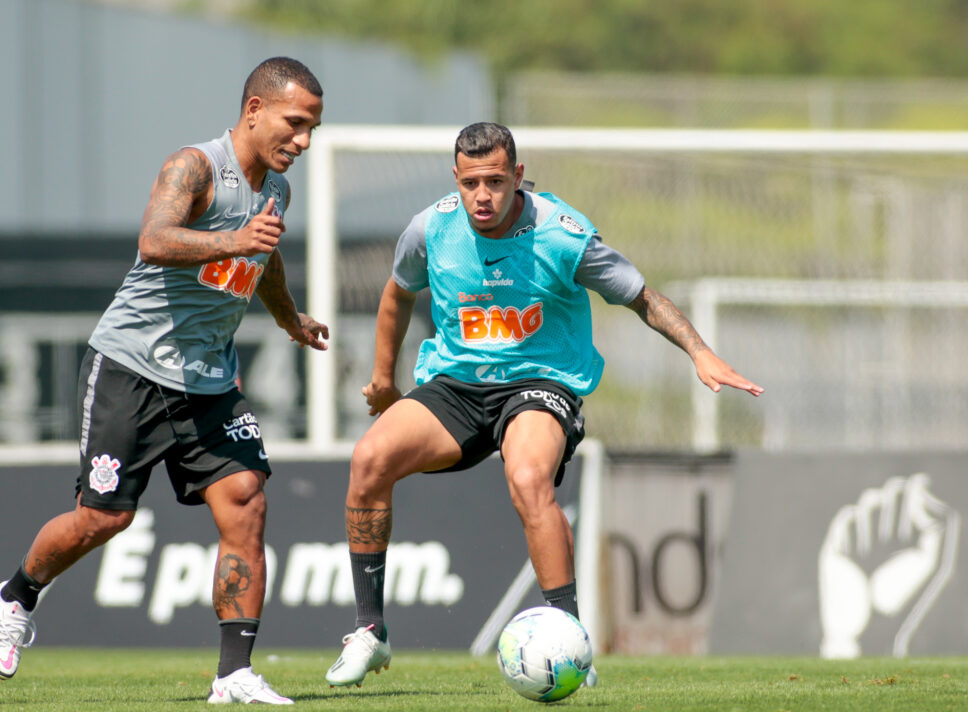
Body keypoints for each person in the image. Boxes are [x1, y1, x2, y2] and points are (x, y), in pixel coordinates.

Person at [325, 122, 763, 689]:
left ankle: (571, 640)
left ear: (518, 177)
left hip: (541, 381)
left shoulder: (561, 234)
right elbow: (398, 292)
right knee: (368, 461)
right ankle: (370, 632)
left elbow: (643, 297)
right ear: (455, 179)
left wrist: (700, 353)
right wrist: (384, 380)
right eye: (471, 183)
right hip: (457, 383)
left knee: (529, 476)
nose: (483, 196)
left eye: (496, 182)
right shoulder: (430, 229)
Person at [0, 57, 328, 705]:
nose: (303, 141)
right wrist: (233, 240)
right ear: (254, 110)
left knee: (247, 501)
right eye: (295, 123)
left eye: (312, 128)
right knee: (101, 518)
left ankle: (234, 675)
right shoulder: (193, 166)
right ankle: (15, 596)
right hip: (132, 369)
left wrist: (290, 319)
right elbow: (155, 240)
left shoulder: (276, 191)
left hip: (210, 382)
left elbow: (266, 256)